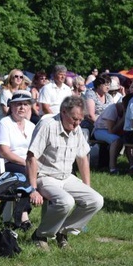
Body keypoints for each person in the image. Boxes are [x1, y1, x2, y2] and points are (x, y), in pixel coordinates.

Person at [27, 96, 104, 250]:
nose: (77, 124)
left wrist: (87, 186)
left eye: (80, 120)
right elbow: (31, 157)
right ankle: (41, 234)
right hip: (45, 176)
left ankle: (63, 232)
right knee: (66, 201)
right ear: (63, 112)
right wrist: (33, 189)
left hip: (67, 176)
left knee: (96, 200)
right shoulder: (47, 125)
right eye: (74, 119)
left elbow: (82, 158)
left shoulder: (77, 130)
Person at [0, 90, 36, 228]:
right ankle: (23, 214)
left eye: (25, 104)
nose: (22, 107)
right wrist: (26, 163)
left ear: (29, 107)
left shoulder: (31, 125)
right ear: (11, 106)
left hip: (27, 162)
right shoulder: (4, 123)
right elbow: (4, 151)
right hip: (6, 163)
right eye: (18, 104)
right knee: (24, 173)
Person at [93, 93, 129, 174]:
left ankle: (131, 166)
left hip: (112, 131)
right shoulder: (112, 109)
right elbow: (111, 131)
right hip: (100, 130)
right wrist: (123, 118)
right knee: (116, 140)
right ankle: (112, 168)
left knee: (127, 140)